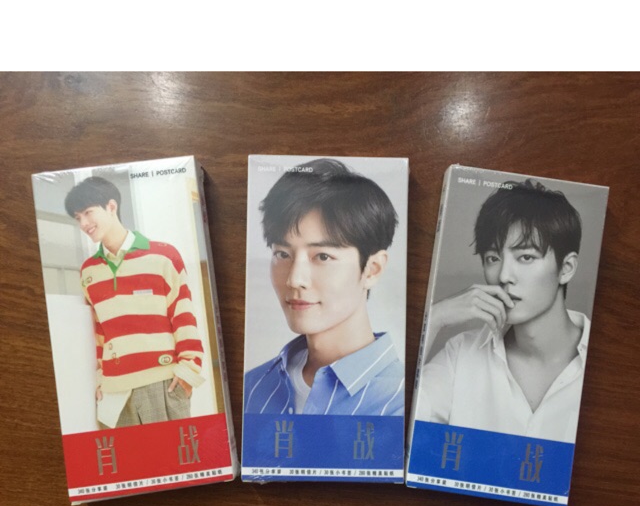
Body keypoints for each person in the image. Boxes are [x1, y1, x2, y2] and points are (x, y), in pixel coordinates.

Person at [415, 179, 588, 443]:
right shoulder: (461, 354)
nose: (504, 276)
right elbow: (392, 433)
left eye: (526, 257)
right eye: (493, 258)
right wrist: (436, 316)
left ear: (566, 268)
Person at [244, 158, 404, 416]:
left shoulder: (403, 402)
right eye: (283, 254)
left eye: (322, 256)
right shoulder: (253, 386)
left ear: (372, 269)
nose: (295, 279)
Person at [64, 176, 205, 428]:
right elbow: (99, 331)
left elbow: (183, 314)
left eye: (88, 212)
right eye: (78, 218)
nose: (83, 223)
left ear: (111, 206)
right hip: (113, 392)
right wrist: (101, 378)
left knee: (171, 453)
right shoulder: (88, 271)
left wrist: (188, 371)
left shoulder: (163, 255)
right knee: (125, 455)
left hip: (162, 384)